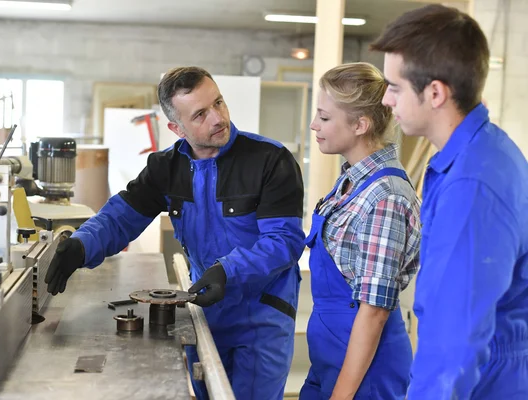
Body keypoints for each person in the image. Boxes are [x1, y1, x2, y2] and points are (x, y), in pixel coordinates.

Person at [44, 66, 306, 400]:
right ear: (176, 127)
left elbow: (283, 241)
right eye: (200, 114)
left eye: (218, 103)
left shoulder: (270, 160)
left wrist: (228, 269)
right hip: (204, 310)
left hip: (261, 317)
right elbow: (120, 217)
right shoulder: (166, 168)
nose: (217, 118)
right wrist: (82, 244)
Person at [371, 4, 528, 399]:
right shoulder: (481, 152)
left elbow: (453, 344)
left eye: (395, 87)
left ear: (435, 92)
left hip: (485, 383)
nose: (387, 100)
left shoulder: (471, 183)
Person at [300, 62, 421, 400]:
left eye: (324, 118)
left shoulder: (385, 196)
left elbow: (374, 311)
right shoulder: (352, 180)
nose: (314, 125)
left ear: (360, 124)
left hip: (365, 371)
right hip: (333, 356)